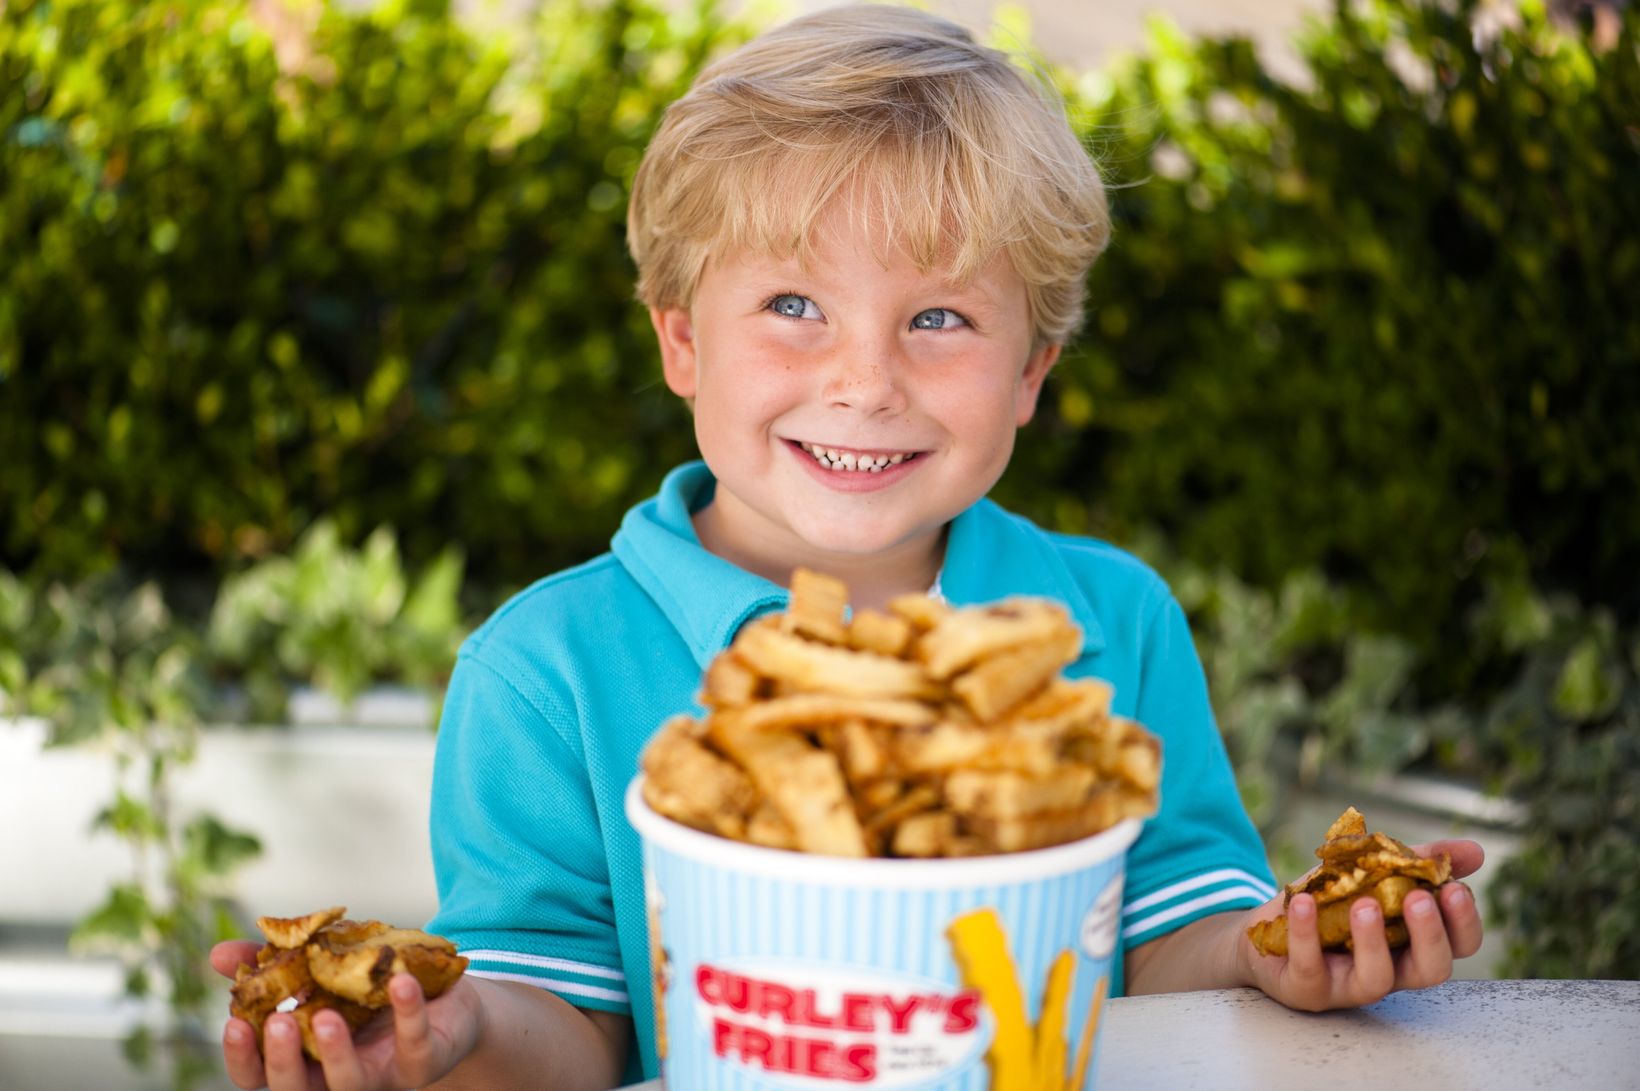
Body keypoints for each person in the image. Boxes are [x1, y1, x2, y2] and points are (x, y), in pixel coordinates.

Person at [210, 5, 1485, 1088]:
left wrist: (1287, 949)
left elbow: (1165, 933)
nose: (865, 381)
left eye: (938, 317)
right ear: (681, 342)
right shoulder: (547, 671)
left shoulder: (1109, 621)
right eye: (792, 304)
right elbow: (565, 1018)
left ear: (1031, 371)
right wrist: (452, 1033)